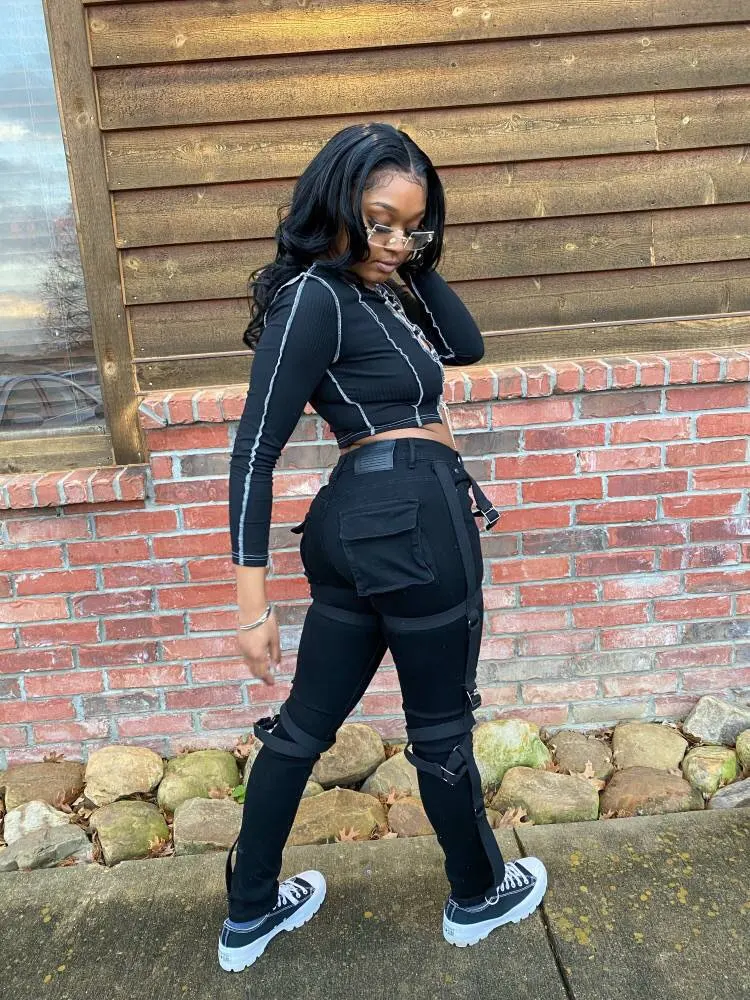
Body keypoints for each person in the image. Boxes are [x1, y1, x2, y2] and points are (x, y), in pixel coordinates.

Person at [218, 122, 548, 973]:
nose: (397, 242)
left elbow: (465, 347)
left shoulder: (367, 292)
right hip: (413, 516)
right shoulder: (316, 297)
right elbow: (255, 449)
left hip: (356, 526)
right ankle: (479, 893)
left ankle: (249, 910)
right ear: (333, 205)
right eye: (379, 221)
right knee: (440, 727)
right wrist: (251, 607)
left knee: (304, 725)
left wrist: (410, 260)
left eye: (413, 226)